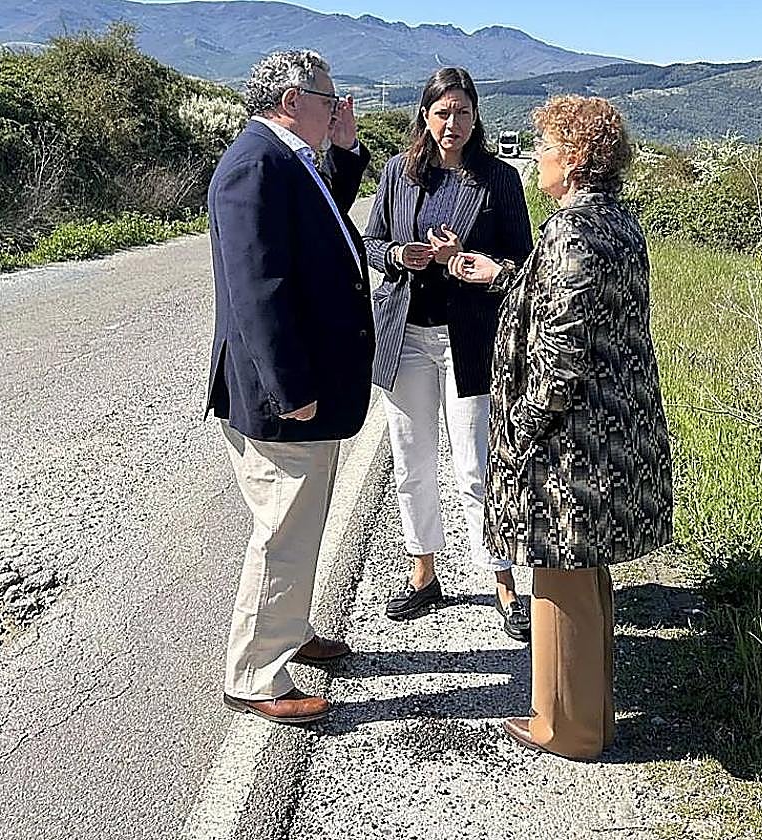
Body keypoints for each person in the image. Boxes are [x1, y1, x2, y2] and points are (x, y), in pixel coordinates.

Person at [449, 95, 673, 759]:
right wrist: (504, 277)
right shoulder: (612, 220)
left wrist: (521, 425)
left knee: (564, 574)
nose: (537, 158)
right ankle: (574, 716)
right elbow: (566, 301)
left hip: (575, 441)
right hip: (606, 428)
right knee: (577, 573)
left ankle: (569, 729)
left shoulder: (575, 229)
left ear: (574, 161)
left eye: (546, 147)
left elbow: (564, 346)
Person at [205, 50, 374, 725]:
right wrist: (290, 387)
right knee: (281, 532)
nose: (337, 105)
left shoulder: (286, 156)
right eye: (328, 97)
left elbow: (325, 212)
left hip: (303, 390)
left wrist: (345, 147)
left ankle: (290, 632)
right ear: (289, 98)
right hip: (284, 398)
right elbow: (258, 291)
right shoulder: (254, 165)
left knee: (299, 527)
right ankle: (254, 674)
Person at [362, 67, 533, 640]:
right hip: (407, 334)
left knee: (476, 465)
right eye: (442, 113)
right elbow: (374, 242)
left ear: (475, 115)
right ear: (425, 116)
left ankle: (503, 582)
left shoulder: (499, 180)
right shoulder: (398, 173)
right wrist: (399, 257)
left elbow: (522, 262)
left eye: (461, 112)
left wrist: (473, 262)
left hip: (470, 338)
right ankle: (423, 574)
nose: (451, 124)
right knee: (412, 464)